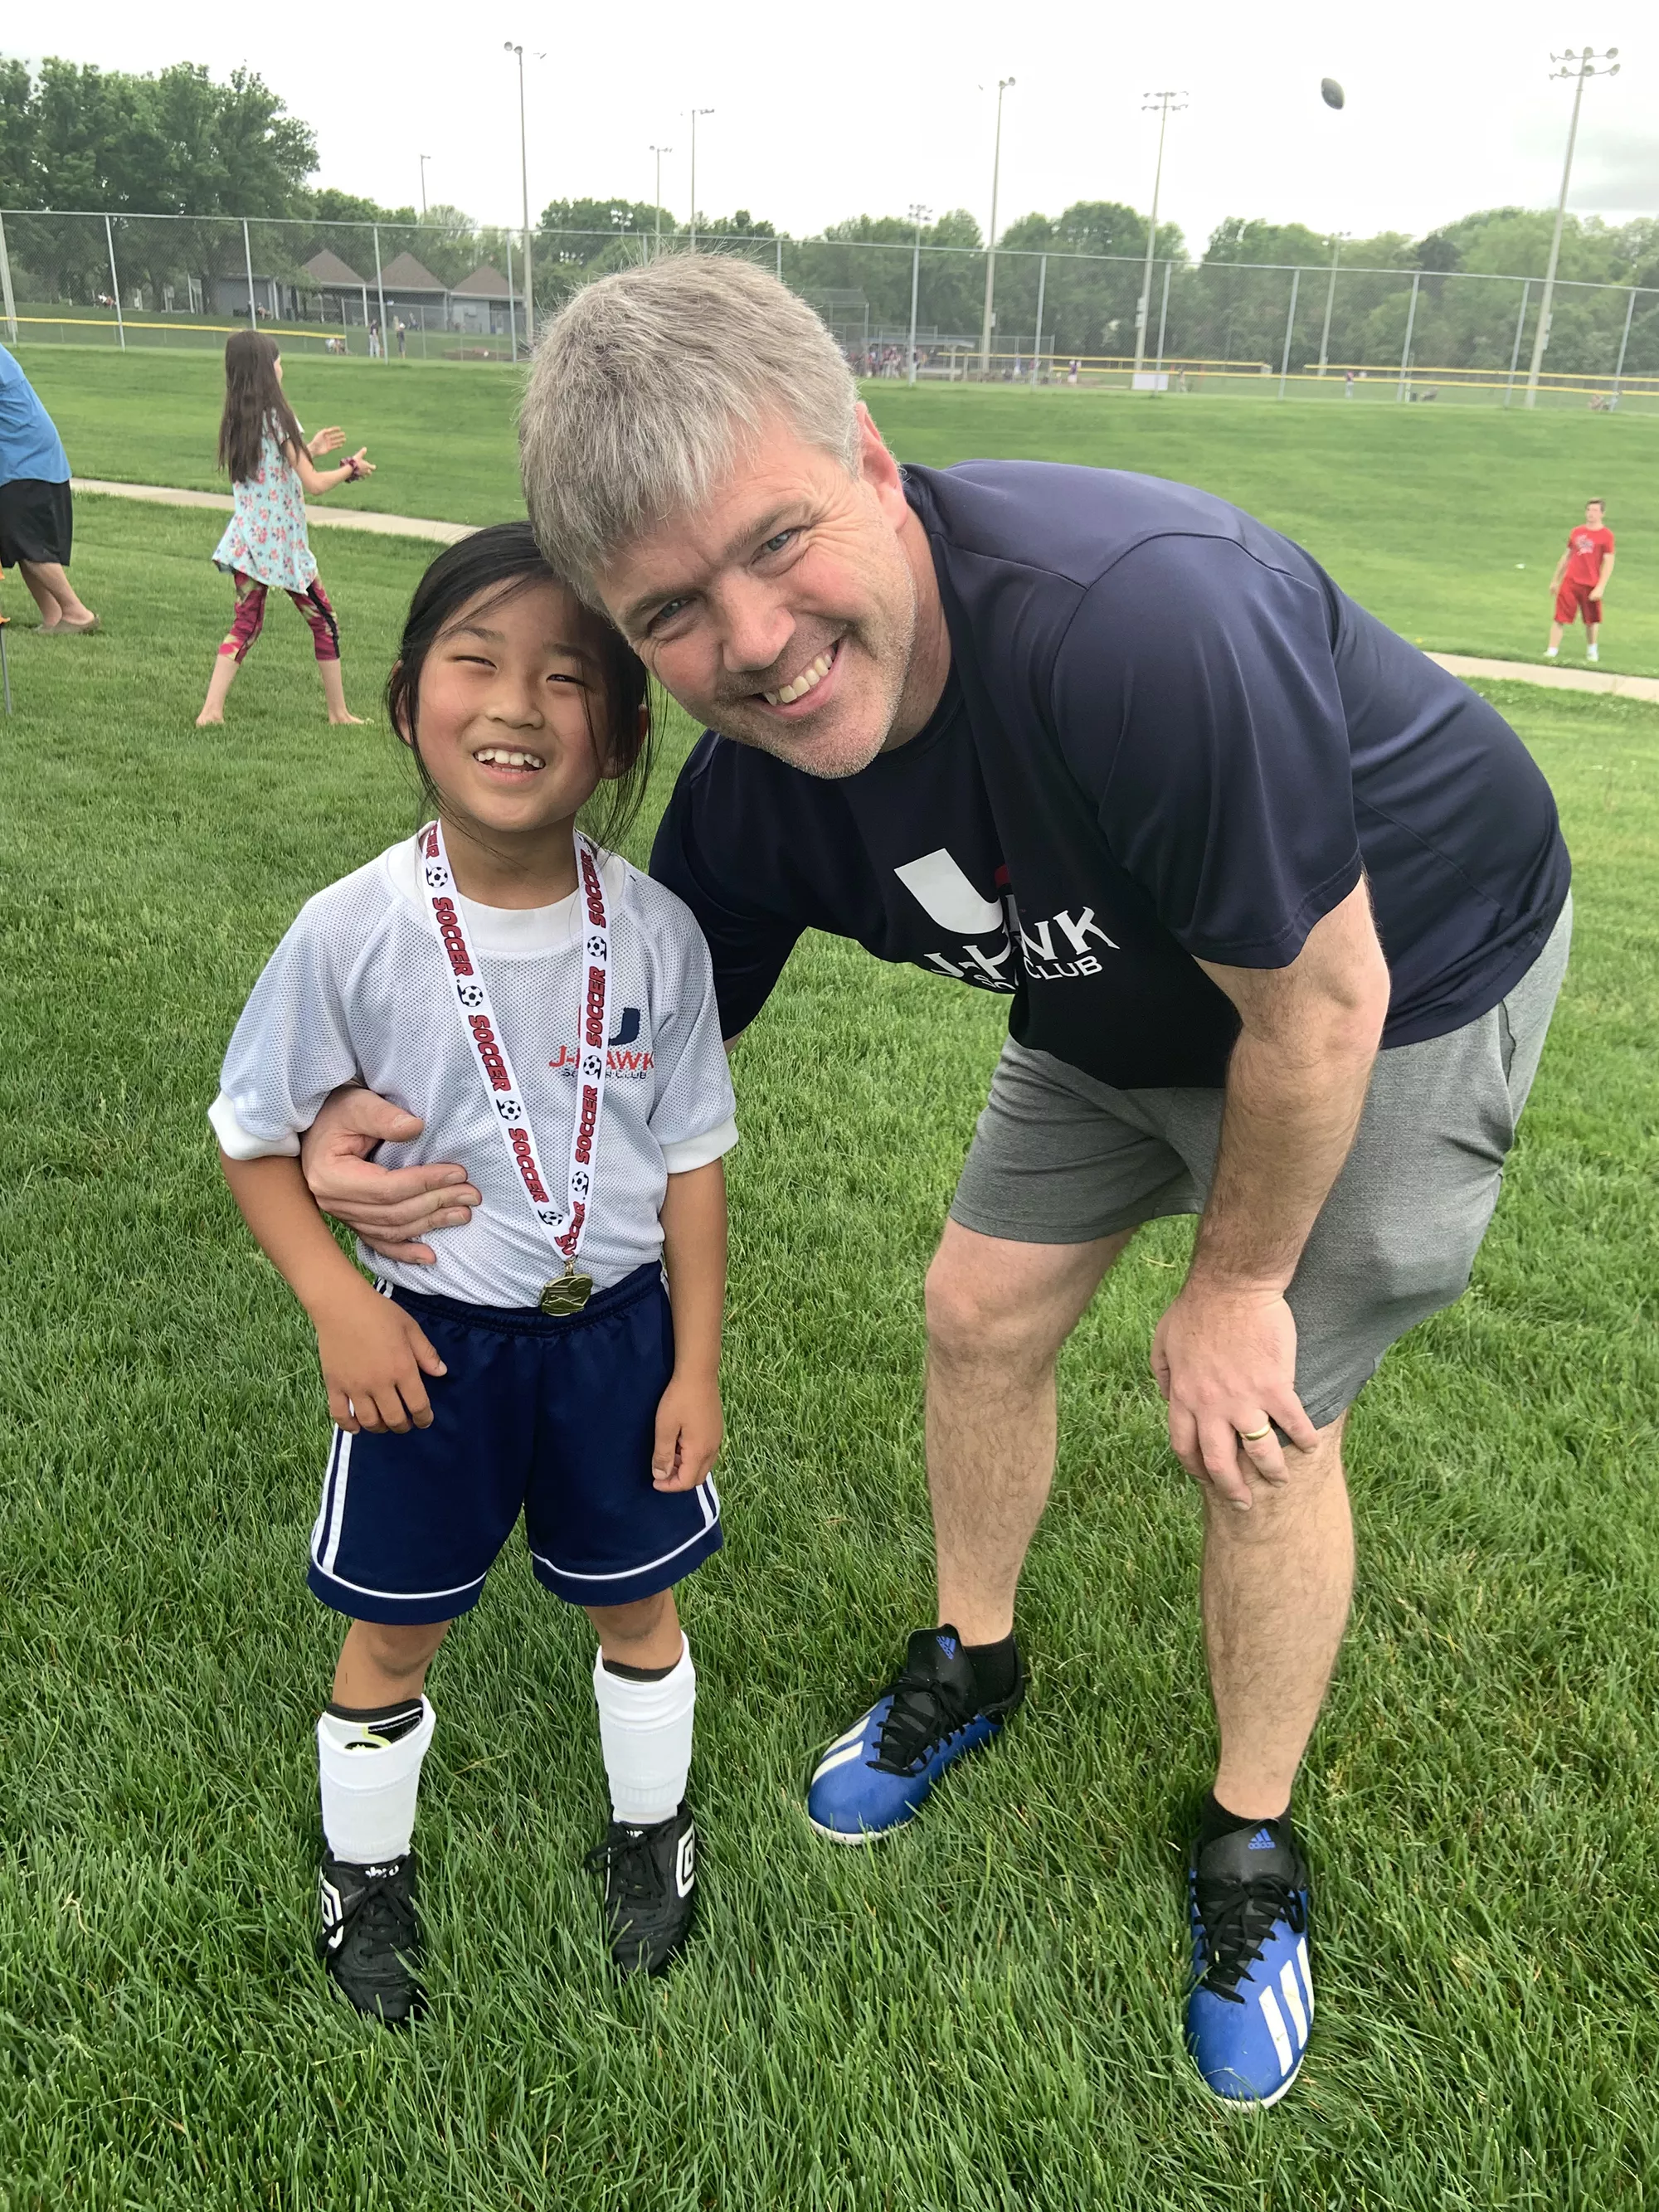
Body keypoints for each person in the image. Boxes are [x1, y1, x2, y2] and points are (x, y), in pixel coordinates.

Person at [299, 258, 1571, 2106]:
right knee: (976, 1311)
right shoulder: (751, 797)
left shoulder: (1138, 624)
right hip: (1103, 983)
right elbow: (623, 1045)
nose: (752, 637)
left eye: (781, 539)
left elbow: (1318, 1008)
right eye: (671, 609)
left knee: (1257, 1417)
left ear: (876, 463)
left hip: (1385, 975)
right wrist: (369, 1113)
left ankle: (1249, 1842)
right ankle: (970, 1661)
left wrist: (1227, 1292)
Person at [212, 522, 737, 2023]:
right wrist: (340, 1308)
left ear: (623, 730)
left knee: (639, 1610)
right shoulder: (350, 931)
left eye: (568, 679)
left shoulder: (658, 935)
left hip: (618, 1342)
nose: (517, 706)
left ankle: (655, 1832)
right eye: (476, 663)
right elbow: (253, 1139)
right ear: (405, 701)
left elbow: (693, 1158)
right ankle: (364, 1874)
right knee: (394, 1626)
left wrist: (693, 1364)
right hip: (429, 1349)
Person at [196, 331, 373, 728]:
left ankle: (211, 711)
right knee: (324, 621)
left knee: (246, 624)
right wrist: (349, 470)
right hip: (284, 551)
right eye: (277, 360)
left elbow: (273, 471)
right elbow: (312, 484)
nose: (282, 366)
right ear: (265, 370)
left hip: (247, 546)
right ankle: (338, 713)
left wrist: (312, 450)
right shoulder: (280, 418)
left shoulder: (237, 421)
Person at [0, 343, 99, 633]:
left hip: (26, 461)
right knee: (19, 544)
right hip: (30, 460)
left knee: (27, 543)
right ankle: (53, 618)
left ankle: (78, 613)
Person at [1545, 498, 1614, 664]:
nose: (1591, 514)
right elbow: (1567, 556)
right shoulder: (1577, 532)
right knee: (1560, 617)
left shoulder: (1606, 536)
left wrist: (1600, 587)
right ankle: (1552, 650)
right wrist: (1556, 580)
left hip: (1590, 583)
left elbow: (1608, 562)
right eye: (1589, 510)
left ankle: (1592, 650)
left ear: (1602, 514)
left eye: (1595, 511)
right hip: (1571, 580)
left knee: (1591, 620)